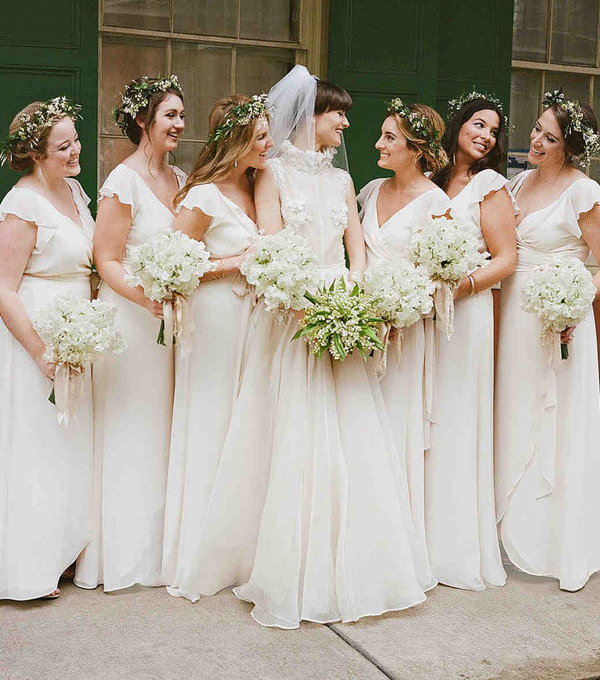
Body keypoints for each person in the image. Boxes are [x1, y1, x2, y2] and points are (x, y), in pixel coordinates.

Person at [176, 66, 435, 629]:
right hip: (294, 313)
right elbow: (272, 248)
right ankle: (288, 562)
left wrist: (355, 299)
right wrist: (305, 305)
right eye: (337, 113)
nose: (346, 123)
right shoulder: (271, 174)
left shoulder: (341, 182)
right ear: (310, 116)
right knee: (293, 432)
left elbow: (355, 248)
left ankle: (356, 560)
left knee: (351, 433)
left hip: (340, 306)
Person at [75, 76, 186, 592]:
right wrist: (146, 298)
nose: (179, 124)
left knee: (163, 428)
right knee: (132, 427)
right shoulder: (123, 180)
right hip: (131, 320)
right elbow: (107, 259)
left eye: (182, 116)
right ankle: (122, 553)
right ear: (144, 120)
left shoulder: (180, 178)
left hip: (168, 322)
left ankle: (161, 548)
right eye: (170, 115)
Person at [163, 95, 272, 600]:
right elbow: (173, 269)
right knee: (212, 420)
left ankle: (238, 547)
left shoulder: (257, 187)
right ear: (238, 139)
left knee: (243, 424)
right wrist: (235, 263)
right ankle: (201, 547)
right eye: (261, 136)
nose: (269, 144)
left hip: (252, 320)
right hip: (214, 319)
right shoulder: (203, 196)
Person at [495, 90, 600, 591]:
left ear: (570, 146)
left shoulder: (583, 192)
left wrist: (574, 305)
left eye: (550, 138)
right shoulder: (517, 182)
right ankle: (509, 525)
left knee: (555, 422)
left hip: (561, 324)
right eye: (537, 129)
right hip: (516, 320)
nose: (536, 141)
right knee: (516, 411)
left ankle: (556, 538)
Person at [0, 98, 94, 600]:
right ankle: (27, 566)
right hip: (36, 335)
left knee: (70, 445)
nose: (76, 151)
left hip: (79, 332)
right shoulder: (22, 204)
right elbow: (3, 289)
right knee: (37, 445)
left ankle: (65, 550)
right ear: (36, 154)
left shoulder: (74, 191)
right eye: (63, 147)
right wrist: (40, 353)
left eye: (75, 140)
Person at [427, 92, 516, 590]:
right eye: (479, 124)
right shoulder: (432, 177)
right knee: (428, 413)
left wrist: (456, 288)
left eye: (494, 131)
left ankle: (455, 544)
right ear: (459, 123)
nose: (486, 136)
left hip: (467, 311)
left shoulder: (489, 184)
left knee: (458, 416)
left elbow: (505, 260)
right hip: (426, 314)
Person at [358, 99, 449, 557]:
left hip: (403, 333)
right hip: (361, 327)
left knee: (393, 427)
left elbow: (441, 275)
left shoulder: (436, 203)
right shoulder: (370, 190)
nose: (378, 143)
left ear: (416, 149)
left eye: (389, 137)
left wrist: (401, 313)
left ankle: (392, 546)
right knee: (359, 424)